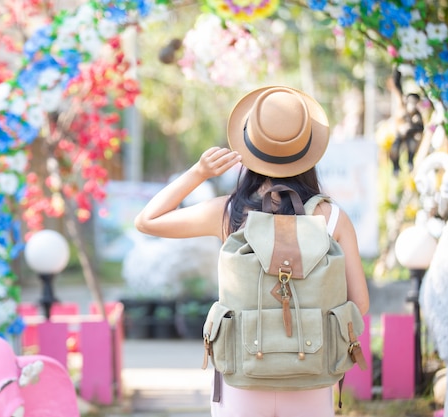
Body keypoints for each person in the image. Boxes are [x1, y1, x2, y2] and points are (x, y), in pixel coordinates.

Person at [134, 85, 370, 417]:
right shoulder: (333, 218)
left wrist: (199, 172)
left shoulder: (230, 214)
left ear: (249, 148)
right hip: (313, 374)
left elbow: (147, 221)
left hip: (242, 375)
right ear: (309, 152)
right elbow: (360, 303)